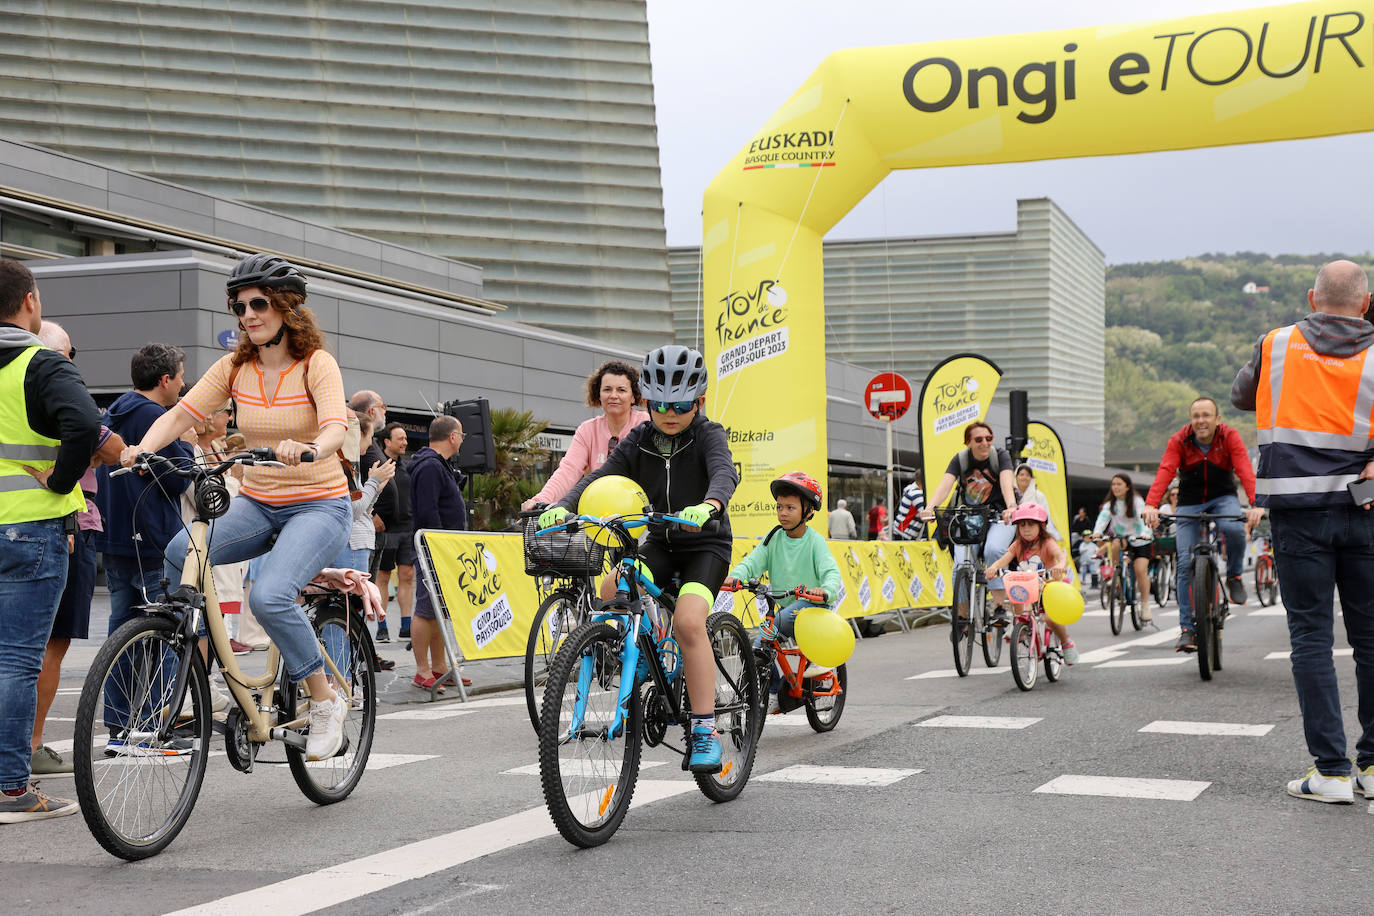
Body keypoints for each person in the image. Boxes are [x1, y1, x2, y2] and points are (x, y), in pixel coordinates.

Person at [121, 253, 353, 762]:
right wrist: (143, 447)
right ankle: (202, 652)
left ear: (286, 308)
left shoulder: (316, 364)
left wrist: (311, 446)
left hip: (318, 503)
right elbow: (183, 413)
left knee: (269, 597)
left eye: (258, 304)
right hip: (259, 501)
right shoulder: (234, 366)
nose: (247, 314)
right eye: (239, 305)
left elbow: (336, 423)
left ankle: (324, 700)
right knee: (181, 551)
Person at [540, 345, 738, 773]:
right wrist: (566, 505)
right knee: (612, 587)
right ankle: (640, 649)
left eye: (681, 405)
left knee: (688, 622)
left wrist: (711, 505)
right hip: (662, 541)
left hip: (706, 544)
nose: (669, 412)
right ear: (646, 401)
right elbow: (602, 474)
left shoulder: (708, 433)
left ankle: (704, 730)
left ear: (698, 402)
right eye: (659, 403)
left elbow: (725, 471)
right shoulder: (640, 437)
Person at [1231, 259, 1374, 804]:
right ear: (1366, 302)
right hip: (1364, 511)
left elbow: (1244, 396)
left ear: (1313, 299)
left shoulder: (1277, 344)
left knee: (1311, 638)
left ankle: (1332, 773)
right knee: (1370, 639)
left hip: (1297, 514)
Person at [0, 258, 100, 822]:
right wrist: (62, 480)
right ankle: (11, 788)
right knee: (17, 661)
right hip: (30, 529)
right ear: (30, 301)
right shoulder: (39, 362)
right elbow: (84, 425)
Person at [29, 323, 122, 776]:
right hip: (64, 524)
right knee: (50, 644)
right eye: (69, 354)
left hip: (17, 520)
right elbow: (112, 446)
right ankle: (30, 745)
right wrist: (70, 471)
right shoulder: (61, 391)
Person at [1142, 397, 1263, 652]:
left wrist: (1256, 503)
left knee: (1233, 528)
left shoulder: (1229, 437)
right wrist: (1151, 504)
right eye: (1196, 416)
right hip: (1190, 502)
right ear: (1191, 420)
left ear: (1217, 419)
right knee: (1185, 562)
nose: (1201, 421)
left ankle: (1234, 575)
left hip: (1224, 498)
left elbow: (1244, 470)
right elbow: (1165, 470)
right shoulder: (1179, 440)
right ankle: (1187, 629)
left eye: (1206, 415)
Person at [722, 471, 842, 714]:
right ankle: (774, 688)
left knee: (775, 625)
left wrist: (825, 590)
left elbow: (831, 572)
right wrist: (737, 576)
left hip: (812, 607)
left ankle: (809, 672)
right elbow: (752, 562)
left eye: (790, 507)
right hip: (784, 606)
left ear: (808, 511)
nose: (783, 513)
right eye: (779, 507)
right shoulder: (774, 537)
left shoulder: (814, 541)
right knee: (759, 645)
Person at [920, 421, 1018, 622]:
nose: (985, 443)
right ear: (968, 442)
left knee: (993, 549)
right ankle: (962, 616)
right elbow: (945, 486)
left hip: (1000, 515)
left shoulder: (1000, 456)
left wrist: (1011, 506)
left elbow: (1007, 483)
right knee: (960, 564)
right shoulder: (961, 460)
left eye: (989, 438)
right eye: (978, 439)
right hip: (970, 517)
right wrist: (930, 508)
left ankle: (1000, 606)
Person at [522, 360, 650, 510]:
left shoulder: (646, 423)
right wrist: (540, 499)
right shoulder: (587, 430)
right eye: (607, 389)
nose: (614, 395)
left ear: (634, 396)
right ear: (598, 394)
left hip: (641, 515)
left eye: (621, 390)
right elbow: (568, 470)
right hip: (597, 516)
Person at [409, 415, 471, 690]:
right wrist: (438, 545)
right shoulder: (431, 467)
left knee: (437, 610)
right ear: (452, 436)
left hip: (440, 548)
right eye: (461, 435)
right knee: (425, 609)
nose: (462, 440)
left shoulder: (437, 466)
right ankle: (423, 669)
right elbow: (427, 510)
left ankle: (439, 667)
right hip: (432, 548)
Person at [984, 502, 1078, 664]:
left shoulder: (1047, 542)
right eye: (1022, 526)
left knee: (1050, 619)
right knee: (1016, 596)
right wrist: (992, 568)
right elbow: (1003, 560)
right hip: (1028, 585)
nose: (1026, 529)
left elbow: (1060, 556)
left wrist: (1059, 566)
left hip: (1048, 587)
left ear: (1041, 526)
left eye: (1031, 525)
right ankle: (1020, 626)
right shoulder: (1018, 544)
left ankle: (1066, 642)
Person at [1090, 473, 1155, 626]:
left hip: (1141, 540)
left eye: (1119, 484)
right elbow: (1102, 520)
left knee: (1140, 570)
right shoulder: (1110, 504)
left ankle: (1145, 605)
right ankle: (1118, 574)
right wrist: (1097, 533)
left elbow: (1143, 520)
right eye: (1113, 484)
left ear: (1127, 487)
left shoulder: (1137, 501)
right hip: (1123, 538)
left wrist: (1145, 534)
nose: (1116, 487)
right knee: (1116, 543)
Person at [374, 422, 414, 642]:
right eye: (400, 438)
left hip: (408, 529)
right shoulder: (378, 466)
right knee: (383, 577)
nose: (405, 442)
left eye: (406, 438)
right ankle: (382, 627)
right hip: (386, 530)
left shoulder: (408, 467)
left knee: (407, 576)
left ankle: (406, 626)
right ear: (387, 441)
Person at [1014, 463, 1060, 540]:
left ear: (1031, 478)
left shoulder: (1039, 496)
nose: (1024, 477)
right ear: (1016, 477)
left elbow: (1046, 516)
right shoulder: (1009, 495)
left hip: (1034, 536)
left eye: (1028, 475)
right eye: (1022, 474)